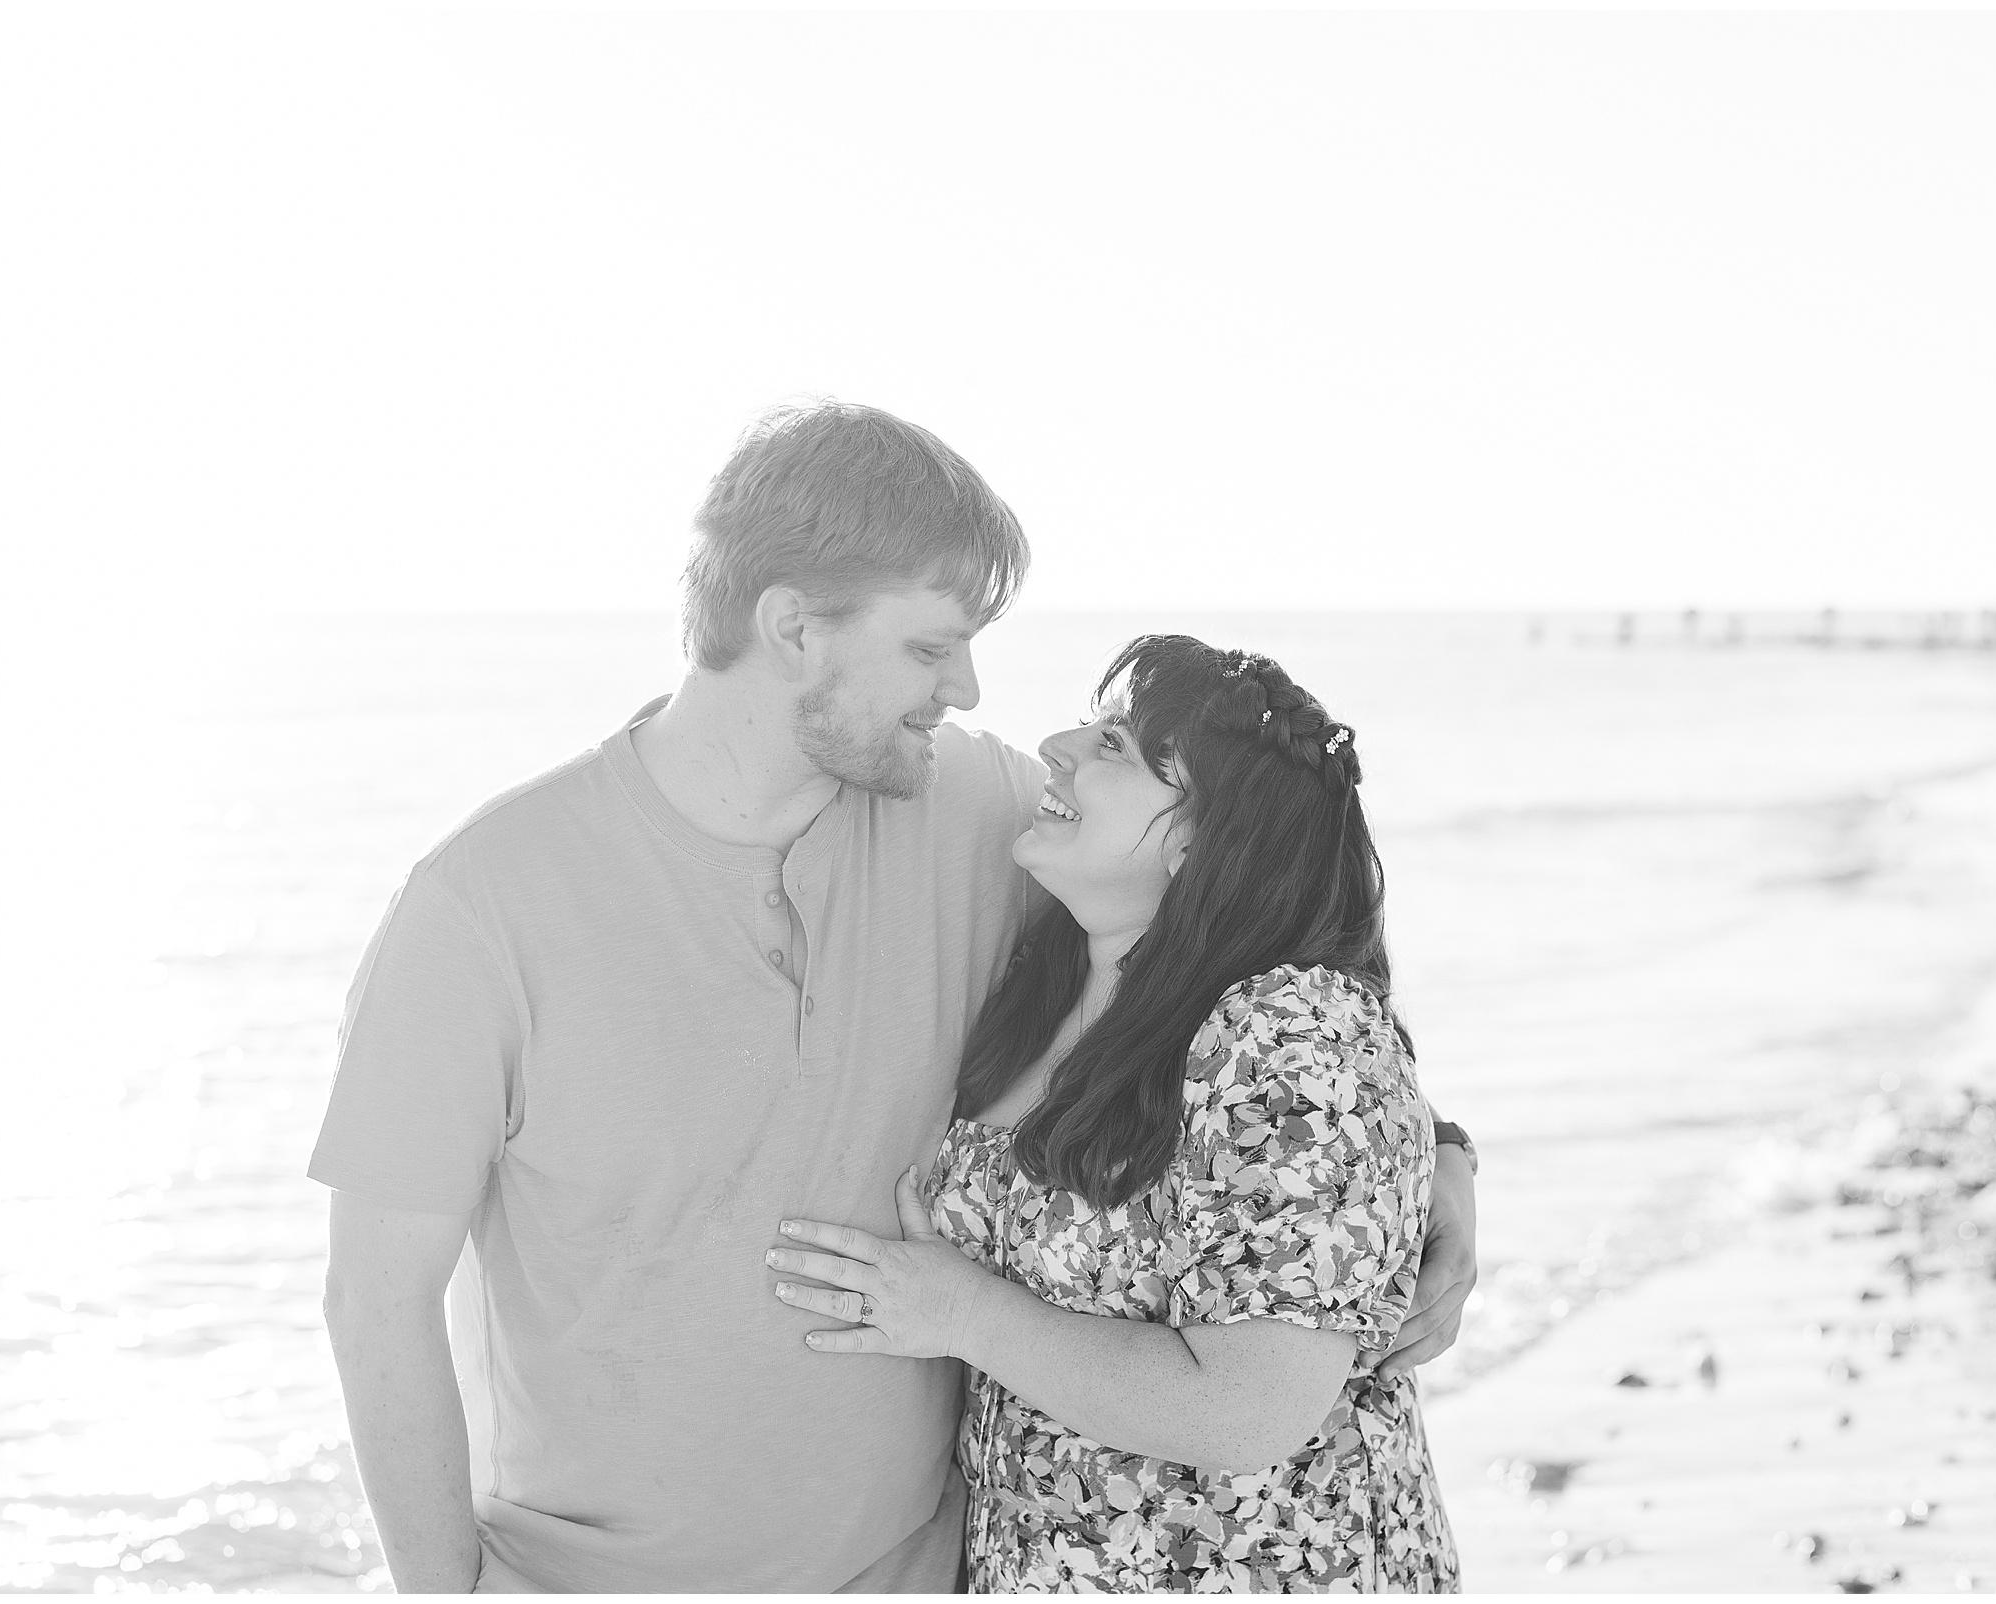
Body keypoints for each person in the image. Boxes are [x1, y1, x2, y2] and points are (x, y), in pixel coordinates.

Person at [311, 402, 1478, 1592]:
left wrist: (1435, 1155)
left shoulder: (982, 817)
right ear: (795, 629)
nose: (968, 688)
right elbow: (373, 1297)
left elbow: (1257, 926)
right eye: (931, 648)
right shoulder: (484, 903)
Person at [768, 636, 1461, 1591]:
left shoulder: (1290, 1032)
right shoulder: (1045, 971)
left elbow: (1248, 1410)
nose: (1055, 746)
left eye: (1117, 749)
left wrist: (960, 1310)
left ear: (1198, 842)